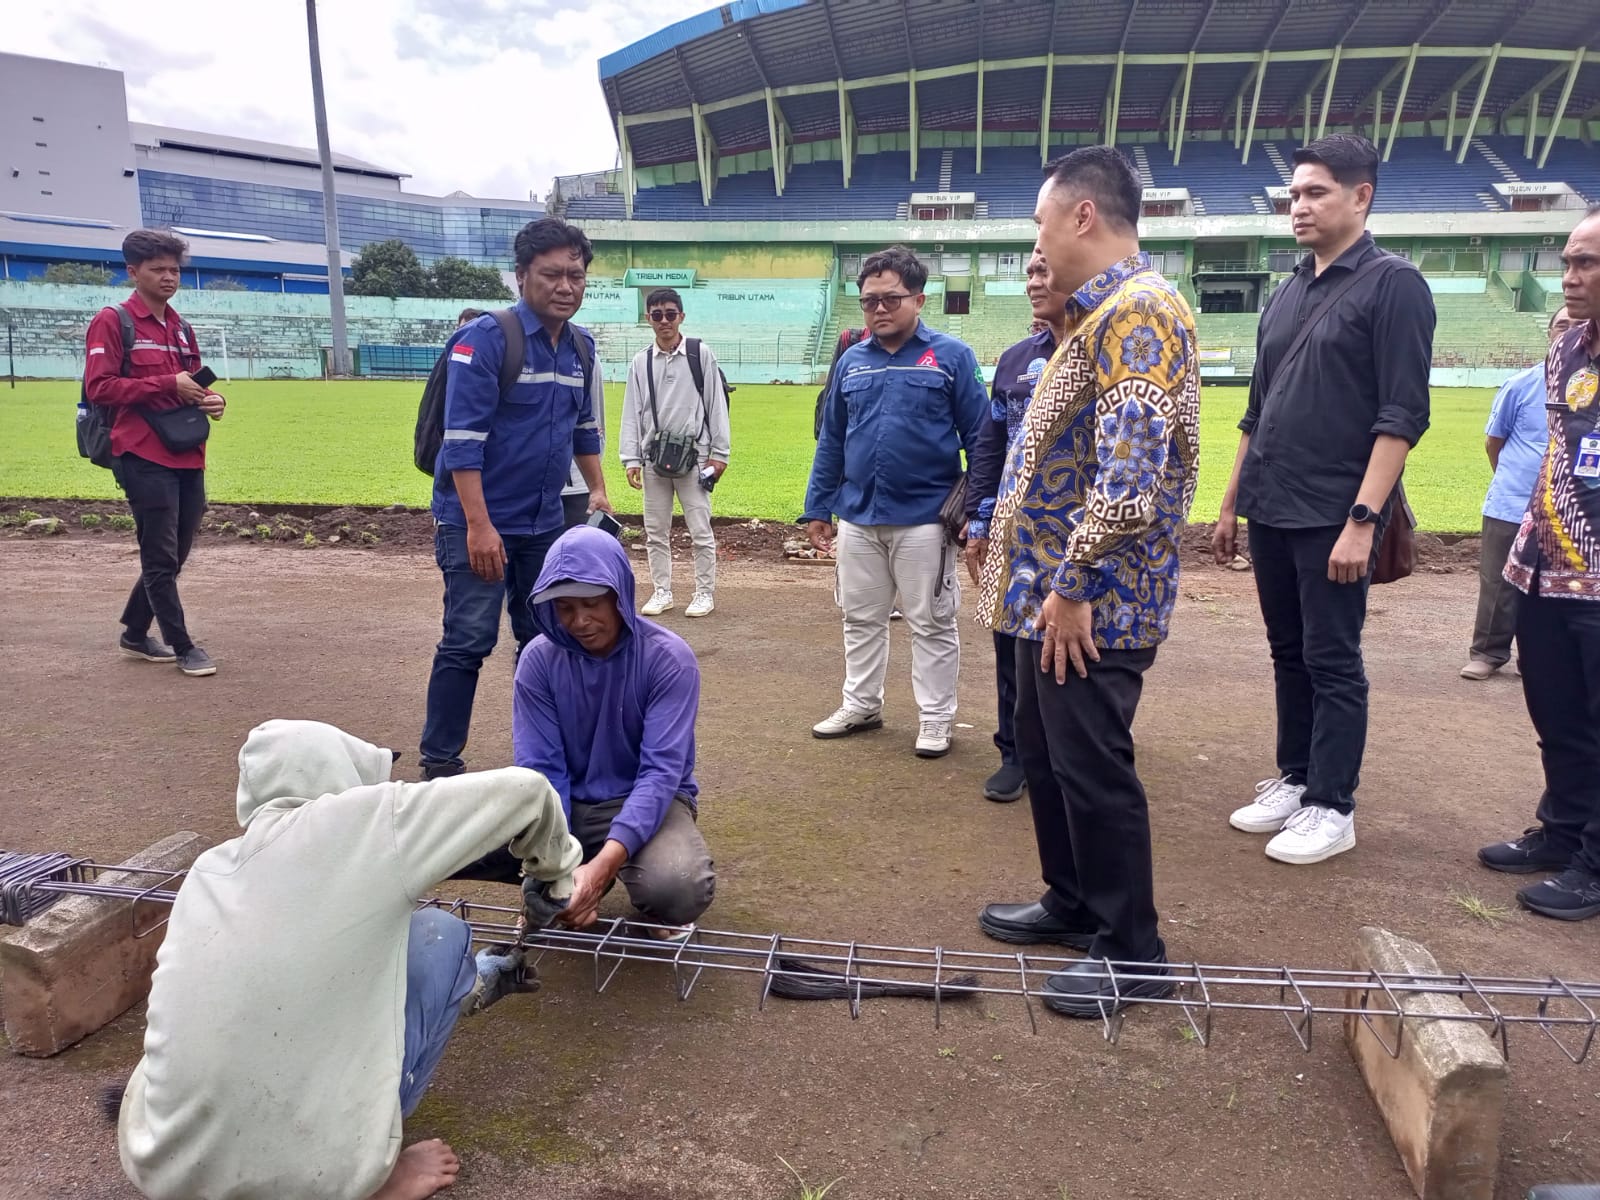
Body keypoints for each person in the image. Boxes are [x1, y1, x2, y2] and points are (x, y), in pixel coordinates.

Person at [115, 719, 584, 1200]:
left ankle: (213, 1147)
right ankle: (363, 1176)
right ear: (340, 775)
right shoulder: (363, 824)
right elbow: (529, 790)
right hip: (310, 1182)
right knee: (437, 934)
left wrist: (477, 982)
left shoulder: (210, 868)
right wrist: (554, 873)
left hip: (161, 1166)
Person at [974, 146, 1200, 1018]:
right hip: (1051, 600)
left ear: (1081, 217)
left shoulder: (1139, 314)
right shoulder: (1096, 316)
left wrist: (1071, 584)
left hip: (1092, 603)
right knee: (1046, 751)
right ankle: (1072, 902)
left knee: (1093, 766)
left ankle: (1132, 949)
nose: (1036, 239)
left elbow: (1130, 478)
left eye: (1039, 221)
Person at [1214, 134, 1435, 866]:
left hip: (1335, 512)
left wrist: (1362, 522)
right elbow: (1257, 406)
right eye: (1294, 195)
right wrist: (1229, 500)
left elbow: (1402, 415)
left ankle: (1333, 805)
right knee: (1287, 652)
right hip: (1271, 504)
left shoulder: (1393, 285)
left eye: (1316, 193)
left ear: (1361, 197)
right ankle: (1297, 776)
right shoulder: (1287, 290)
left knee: (1333, 657)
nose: (1298, 207)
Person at [420, 217, 613, 780]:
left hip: (542, 523)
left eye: (575, 275)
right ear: (521, 276)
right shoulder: (485, 340)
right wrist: (480, 529)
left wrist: (597, 487)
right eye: (551, 274)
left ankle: (544, 757)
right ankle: (439, 766)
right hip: (476, 522)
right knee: (468, 641)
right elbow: (461, 444)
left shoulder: (580, 347)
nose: (565, 286)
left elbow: (583, 430)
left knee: (544, 640)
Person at [802, 246, 989, 758]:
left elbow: (981, 438)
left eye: (890, 299)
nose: (879, 309)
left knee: (931, 621)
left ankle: (935, 718)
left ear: (919, 299)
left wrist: (977, 511)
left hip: (925, 518)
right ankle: (861, 704)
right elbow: (832, 440)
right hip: (859, 515)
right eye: (868, 301)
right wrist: (818, 507)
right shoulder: (852, 361)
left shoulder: (950, 356)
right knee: (860, 618)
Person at [1480, 205, 1600, 922]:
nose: (1572, 277)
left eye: (1587, 263)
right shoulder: (1566, 351)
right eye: (1567, 262)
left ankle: (1596, 862)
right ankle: (1562, 833)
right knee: (1556, 714)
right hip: (1545, 565)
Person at [513, 525, 716, 932]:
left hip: (648, 797)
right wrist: (558, 859)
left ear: (619, 596)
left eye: (592, 603)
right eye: (565, 608)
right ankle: (576, 882)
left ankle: (625, 883)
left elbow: (660, 773)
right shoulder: (537, 661)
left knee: (679, 888)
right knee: (542, 898)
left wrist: (602, 866)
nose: (580, 621)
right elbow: (541, 769)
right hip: (565, 802)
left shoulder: (669, 660)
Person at [85, 229, 225, 678]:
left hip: (187, 451)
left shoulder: (182, 328)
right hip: (140, 452)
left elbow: (193, 384)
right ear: (133, 272)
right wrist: (167, 384)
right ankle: (182, 645)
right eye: (158, 269)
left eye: (174, 269)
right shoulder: (114, 321)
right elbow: (99, 387)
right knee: (160, 556)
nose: (169, 277)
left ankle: (133, 632)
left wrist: (211, 400)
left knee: (176, 551)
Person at [964, 246, 1069, 803]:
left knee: (1071, 641)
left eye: (1043, 270)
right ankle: (1015, 751)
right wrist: (979, 520)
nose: (1033, 282)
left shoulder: (1104, 346)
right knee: (1011, 641)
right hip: (1013, 528)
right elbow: (991, 443)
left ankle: (1070, 746)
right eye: (1029, 271)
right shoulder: (1014, 359)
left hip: (1076, 531)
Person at [1460, 307, 1572, 679]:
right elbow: (1495, 441)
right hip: (1512, 502)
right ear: (1550, 333)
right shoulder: (1521, 385)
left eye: (1577, 326)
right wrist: (1515, 481)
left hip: (1571, 509)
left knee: (1556, 587)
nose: (1567, 331)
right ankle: (1488, 653)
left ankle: (1539, 658)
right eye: (1561, 325)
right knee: (1498, 580)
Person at [620, 287, 732, 619]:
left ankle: (703, 592)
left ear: (681, 316)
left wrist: (719, 454)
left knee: (700, 527)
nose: (664, 320)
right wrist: (630, 458)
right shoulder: (641, 361)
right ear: (648, 319)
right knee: (655, 530)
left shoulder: (699, 354)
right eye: (657, 315)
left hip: (695, 455)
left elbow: (715, 405)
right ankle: (662, 591)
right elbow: (632, 412)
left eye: (670, 314)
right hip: (654, 456)